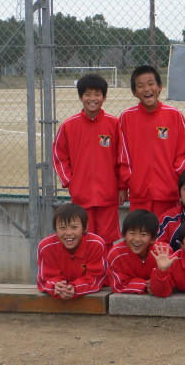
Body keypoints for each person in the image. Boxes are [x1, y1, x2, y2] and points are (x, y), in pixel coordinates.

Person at [52, 74, 122, 250]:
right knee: (84, 239)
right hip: (81, 197)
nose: (92, 99)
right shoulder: (69, 126)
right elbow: (59, 156)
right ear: (80, 97)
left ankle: (107, 277)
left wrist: (121, 187)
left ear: (104, 97)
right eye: (88, 94)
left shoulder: (115, 124)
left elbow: (123, 158)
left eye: (97, 94)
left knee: (106, 241)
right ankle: (88, 276)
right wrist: (70, 182)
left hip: (109, 196)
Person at [119, 65, 185, 218]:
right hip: (139, 193)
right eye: (140, 86)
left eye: (151, 83)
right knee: (140, 238)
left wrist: (174, 178)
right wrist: (127, 183)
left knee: (166, 238)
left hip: (168, 194)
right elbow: (122, 156)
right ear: (134, 92)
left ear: (160, 87)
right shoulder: (126, 118)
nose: (147, 89)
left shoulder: (174, 115)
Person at [37, 203, 107, 299]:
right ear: (55, 229)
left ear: (85, 227)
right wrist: (56, 286)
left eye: (74, 227)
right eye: (62, 228)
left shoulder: (96, 244)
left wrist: (75, 288)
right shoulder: (46, 246)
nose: (68, 233)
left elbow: (95, 277)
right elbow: (46, 278)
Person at [107, 209, 172, 294]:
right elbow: (118, 284)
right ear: (124, 235)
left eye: (143, 234)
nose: (137, 239)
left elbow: (172, 282)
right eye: (132, 233)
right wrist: (144, 285)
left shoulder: (163, 252)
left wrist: (157, 283)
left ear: (152, 238)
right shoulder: (116, 254)